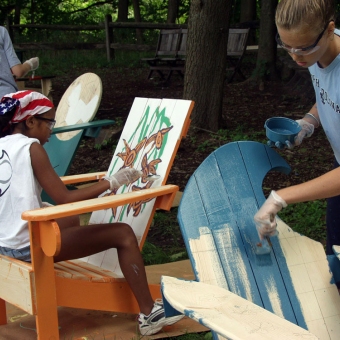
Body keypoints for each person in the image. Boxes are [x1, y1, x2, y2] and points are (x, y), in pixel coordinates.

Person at [0, 90, 183, 335]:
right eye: (49, 123)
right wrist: (112, 182)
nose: (51, 130)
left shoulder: (3, 144)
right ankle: (149, 314)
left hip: (3, 244)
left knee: (68, 218)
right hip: (25, 248)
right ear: (30, 121)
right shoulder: (31, 147)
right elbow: (65, 197)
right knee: (123, 233)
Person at [254, 0, 340, 287]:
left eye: (303, 48)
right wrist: (309, 122)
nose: (295, 57)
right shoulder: (316, 54)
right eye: (287, 46)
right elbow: (329, 95)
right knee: (336, 261)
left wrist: (281, 197)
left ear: (330, 29)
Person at [0, 26, 39, 98]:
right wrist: (30, 64)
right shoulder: (1, 31)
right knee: (46, 105)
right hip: (6, 99)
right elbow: (18, 71)